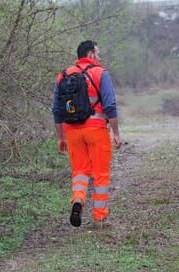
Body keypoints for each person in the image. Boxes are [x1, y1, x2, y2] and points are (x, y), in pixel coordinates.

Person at [52, 40, 121, 227]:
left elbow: (57, 111)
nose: (99, 57)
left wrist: (61, 137)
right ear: (90, 54)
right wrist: (116, 132)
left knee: (80, 172)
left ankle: (78, 198)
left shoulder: (63, 76)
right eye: (98, 53)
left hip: (72, 132)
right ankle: (99, 216)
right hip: (96, 130)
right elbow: (110, 105)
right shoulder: (100, 73)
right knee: (100, 173)